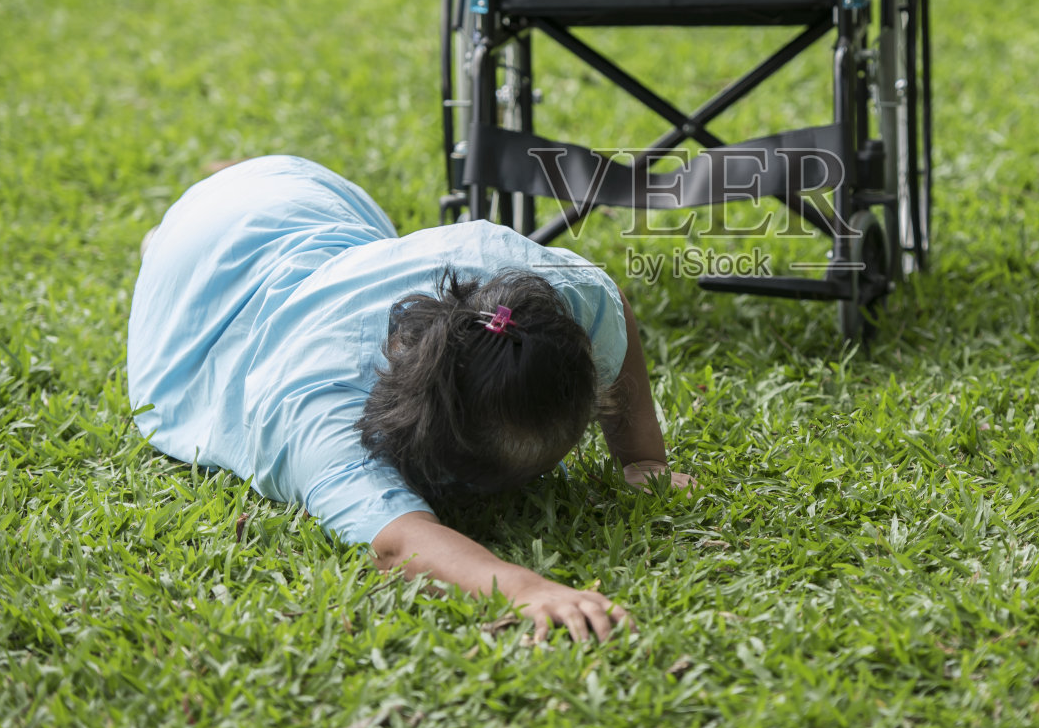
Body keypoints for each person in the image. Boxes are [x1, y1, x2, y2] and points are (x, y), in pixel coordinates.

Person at [127, 155, 690, 643]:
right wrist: (523, 588)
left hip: (312, 195)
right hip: (206, 272)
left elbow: (612, 301)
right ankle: (165, 242)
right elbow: (398, 543)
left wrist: (644, 458)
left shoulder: (550, 295)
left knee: (319, 241)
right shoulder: (315, 408)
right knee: (175, 249)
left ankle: (201, 207)